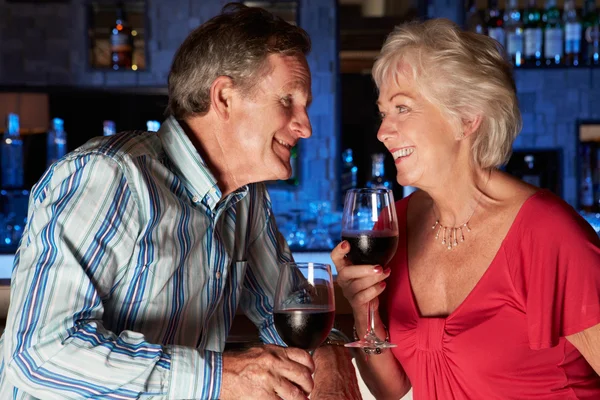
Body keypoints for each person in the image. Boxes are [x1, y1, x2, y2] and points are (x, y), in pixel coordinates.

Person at [0, 4, 359, 399]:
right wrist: (222, 377)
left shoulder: (245, 198)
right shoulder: (109, 176)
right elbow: (38, 355)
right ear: (224, 97)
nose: (305, 127)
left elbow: (293, 315)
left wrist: (330, 355)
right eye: (287, 101)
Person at [332, 18, 600, 400]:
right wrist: (364, 309)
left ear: (467, 119)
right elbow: (391, 390)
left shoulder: (546, 233)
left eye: (402, 108)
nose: (382, 131)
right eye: (383, 112)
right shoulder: (397, 226)